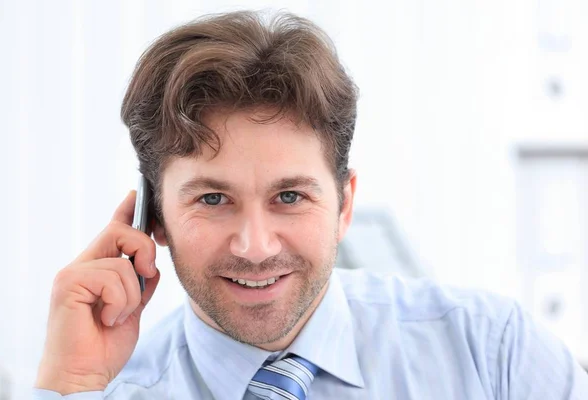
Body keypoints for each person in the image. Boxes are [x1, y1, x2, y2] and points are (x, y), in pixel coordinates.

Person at [33, 10, 588, 400]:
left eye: (290, 196)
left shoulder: (492, 354)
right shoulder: (111, 389)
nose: (255, 247)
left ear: (345, 204)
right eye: (213, 198)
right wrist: (73, 383)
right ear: (154, 218)